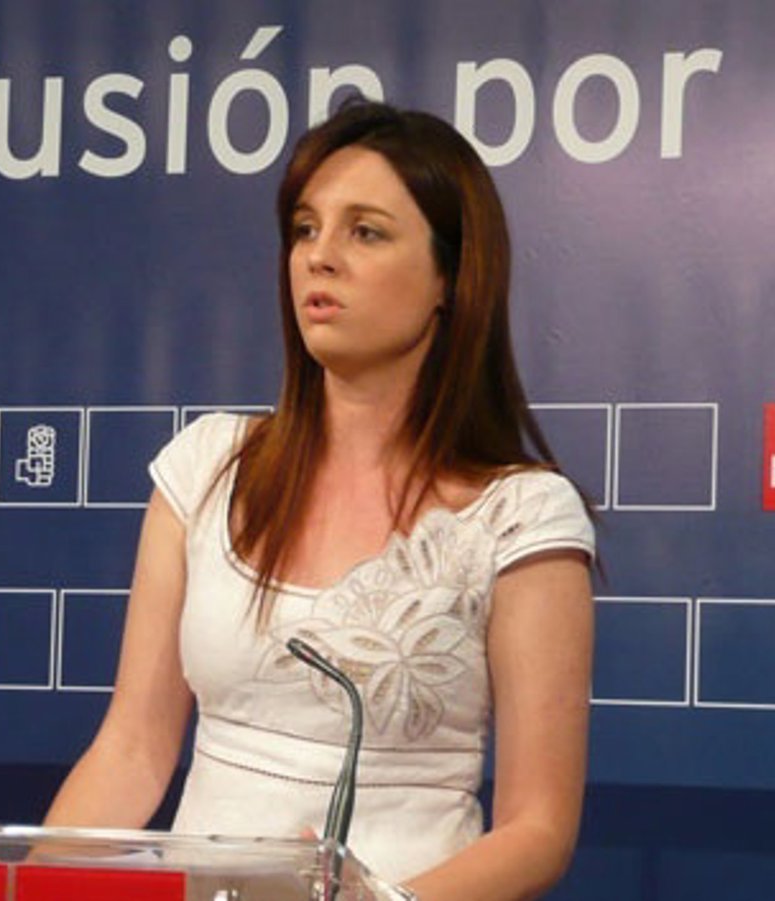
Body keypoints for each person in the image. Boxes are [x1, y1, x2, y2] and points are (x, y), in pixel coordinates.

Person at [44, 100, 595, 901]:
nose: (319, 258)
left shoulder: (522, 514)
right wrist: (32, 887)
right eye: (306, 229)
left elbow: (537, 829)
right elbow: (131, 750)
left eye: (365, 232)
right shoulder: (206, 466)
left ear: (450, 277)